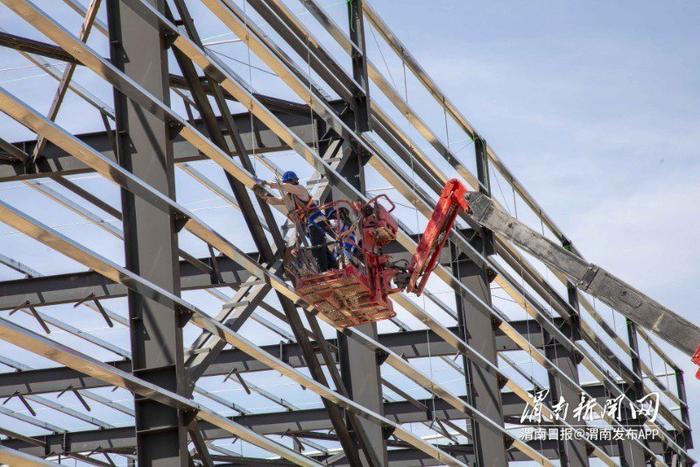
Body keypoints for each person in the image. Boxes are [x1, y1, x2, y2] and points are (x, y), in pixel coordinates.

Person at [255, 171, 337, 272]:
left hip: (316, 222)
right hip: (311, 225)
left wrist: (267, 183)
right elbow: (277, 200)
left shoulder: (300, 190)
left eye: (289, 182)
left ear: (293, 181)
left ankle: (324, 271)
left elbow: (285, 186)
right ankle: (334, 267)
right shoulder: (289, 197)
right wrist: (264, 196)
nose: (289, 184)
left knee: (318, 249)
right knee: (322, 247)